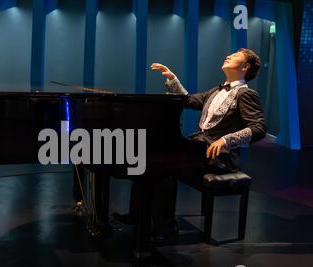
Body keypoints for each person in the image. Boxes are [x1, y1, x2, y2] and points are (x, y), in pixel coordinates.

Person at [113, 49, 267, 241]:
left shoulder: (246, 94)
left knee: (163, 166)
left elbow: (259, 128)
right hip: (200, 147)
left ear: (245, 67)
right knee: (149, 159)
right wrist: (172, 78)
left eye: (235, 56)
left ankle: (166, 229)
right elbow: (190, 100)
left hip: (219, 156)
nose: (228, 56)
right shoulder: (216, 90)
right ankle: (137, 215)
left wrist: (226, 139)